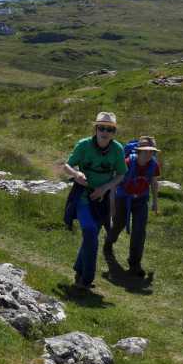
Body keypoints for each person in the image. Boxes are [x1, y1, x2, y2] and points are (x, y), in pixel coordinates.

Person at [63, 111, 127, 289]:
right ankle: (87, 279)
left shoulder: (117, 149)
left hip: (102, 200)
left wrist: (105, 188)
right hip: (83, 196)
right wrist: (76, 174)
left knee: (91, 236)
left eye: (109, 129)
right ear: (95, 129)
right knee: (90, 231)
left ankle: (79, 269)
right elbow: (67, 165)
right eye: (101, 128)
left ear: (114, 132)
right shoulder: (83, 145)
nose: (105, 132)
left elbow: (121, 174)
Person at [103, 136, 161, 277]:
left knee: (139, 231)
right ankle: (108, 242)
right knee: (119, 224)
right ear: (139, 151)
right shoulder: (128, 162)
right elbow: (115, 183)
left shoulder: (154, 165)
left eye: (151, 151)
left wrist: (155, 202)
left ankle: (135, 264)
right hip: (123, 198)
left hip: (141, 200)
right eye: (145, 151)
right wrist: (112, 205)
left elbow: (153, 183)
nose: (148, 154)